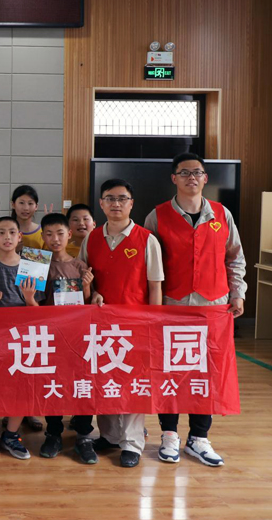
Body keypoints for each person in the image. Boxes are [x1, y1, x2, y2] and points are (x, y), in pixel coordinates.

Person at [143, 153, 246, 467]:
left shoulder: (221, 214)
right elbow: (148, 266)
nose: (192, 177)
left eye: (197, 172)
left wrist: (238, 293)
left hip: (213, 308)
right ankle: (169, 434)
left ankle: (199, 438)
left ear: (205, 178)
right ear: (174, 178)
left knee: (207, 372)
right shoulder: (157, 216)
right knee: (170, 371)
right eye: (185, 172)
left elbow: (235, 257)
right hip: (172, 307)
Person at [80, 178, 164, 468]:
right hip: (100, 325)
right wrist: (93, 292)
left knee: (133, 382)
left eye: (122, 198)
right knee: (104, 378)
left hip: (136, 325)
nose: (116, 204)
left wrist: (155, 323)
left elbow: (155, 286)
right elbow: (84, 279)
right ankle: (110, 435)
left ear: (131, 203)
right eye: (110, 198)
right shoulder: (91, 239)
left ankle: (131, 443)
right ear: (101, 204)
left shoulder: (146, 239)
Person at [0, 216, 42, 461]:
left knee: (21, 387)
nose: (7, 237)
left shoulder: (33, 265)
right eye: (1, 232)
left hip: (25, 337)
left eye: (12, 232)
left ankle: (12, 435)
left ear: (19, 236)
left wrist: (29, 299)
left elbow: (41, 312)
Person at [36, 213, 97, 464]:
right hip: (50, 335)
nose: (55, 239)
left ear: (69, 235)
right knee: (53, 384)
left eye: (60, 233)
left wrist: (87, 286)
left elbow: (88, 303)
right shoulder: (38, 264)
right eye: (49, 234)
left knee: (82, 382)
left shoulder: (81, 266)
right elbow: (33, 303)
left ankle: (84, 434)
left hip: (78, 336)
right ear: (42, 236)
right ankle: (53, 432)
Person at [10, 185, 44, 250]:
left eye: (30, 203)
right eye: (21, 203)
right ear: (13, 204)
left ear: (36, 206)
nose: (26, 208)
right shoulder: (4, 231)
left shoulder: (43, 232)